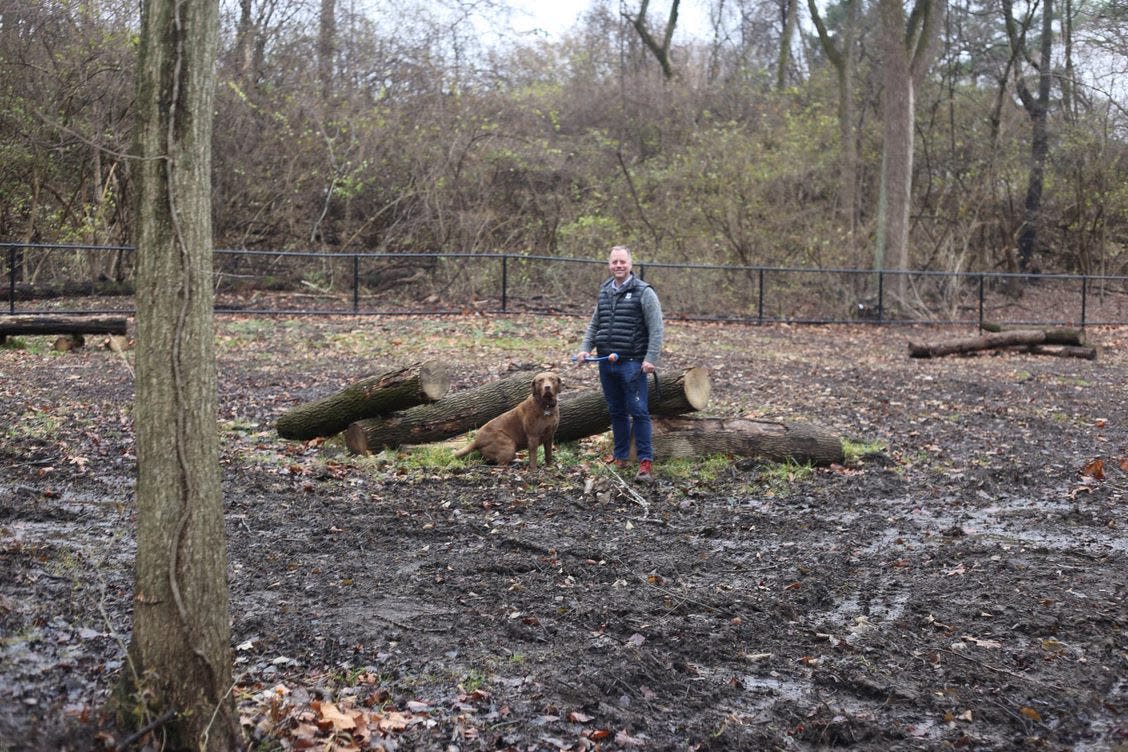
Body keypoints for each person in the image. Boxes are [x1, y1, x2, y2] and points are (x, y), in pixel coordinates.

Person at [576, 245, 664, 482]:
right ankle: (621, 457)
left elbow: (656, 328)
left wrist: (651, 359)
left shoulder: (644, 292)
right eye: (614, 262)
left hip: (633, 363)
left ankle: (645, 463)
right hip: (607, 363)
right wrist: (585, 349)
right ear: (609, 264)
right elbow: (596, 324)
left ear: (630, 264)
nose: (618, 266)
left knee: (639, 411)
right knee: (616, 411)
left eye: (622, 262)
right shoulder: (605, 290)